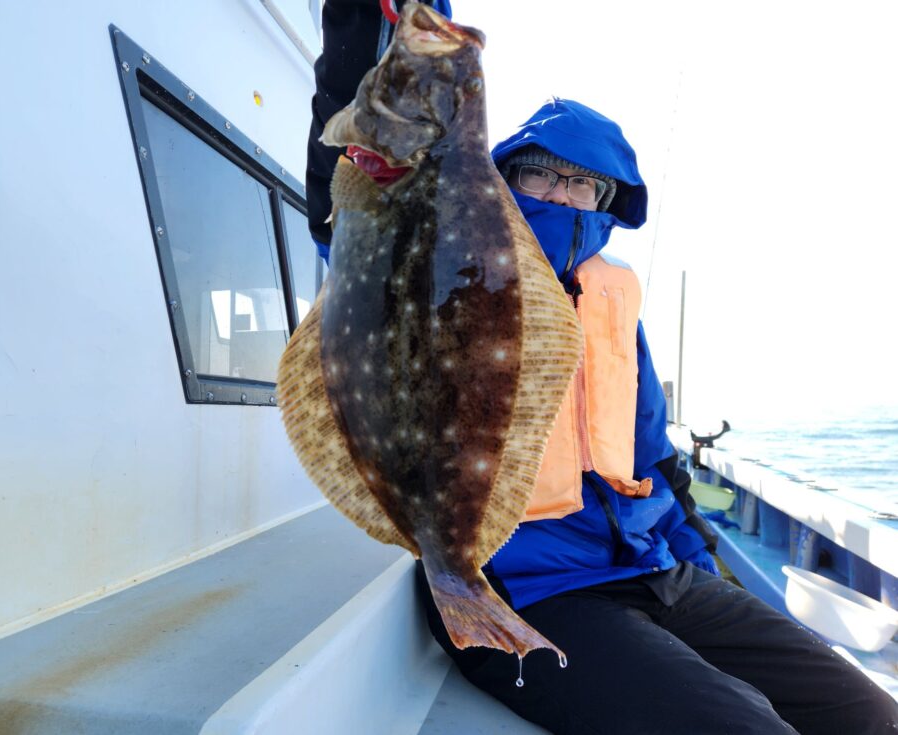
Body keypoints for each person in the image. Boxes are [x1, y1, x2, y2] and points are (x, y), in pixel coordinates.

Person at [305, 2, 898, 733]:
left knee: (868, 712)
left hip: (655, 570)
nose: (559, 194)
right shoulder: (433, 257)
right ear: (503, 176)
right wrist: (368, 26)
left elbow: (652, 452)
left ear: (606, 203)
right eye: (539, 175)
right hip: (527, 585)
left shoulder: (612, 303)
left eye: (581, 184)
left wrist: (697, 558)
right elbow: (350, 171)